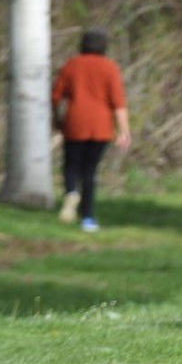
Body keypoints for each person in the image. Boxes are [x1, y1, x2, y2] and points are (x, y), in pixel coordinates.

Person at [52, 28, 132, 232]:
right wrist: (124, 130)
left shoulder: (71, 65)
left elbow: (56, 96)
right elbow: (118, 102)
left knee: (71, 165)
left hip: (75, 122)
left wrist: (57, 119)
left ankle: (71, 192)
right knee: (90, 171)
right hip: (101, 126)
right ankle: (88, 218)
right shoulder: (110, 67)